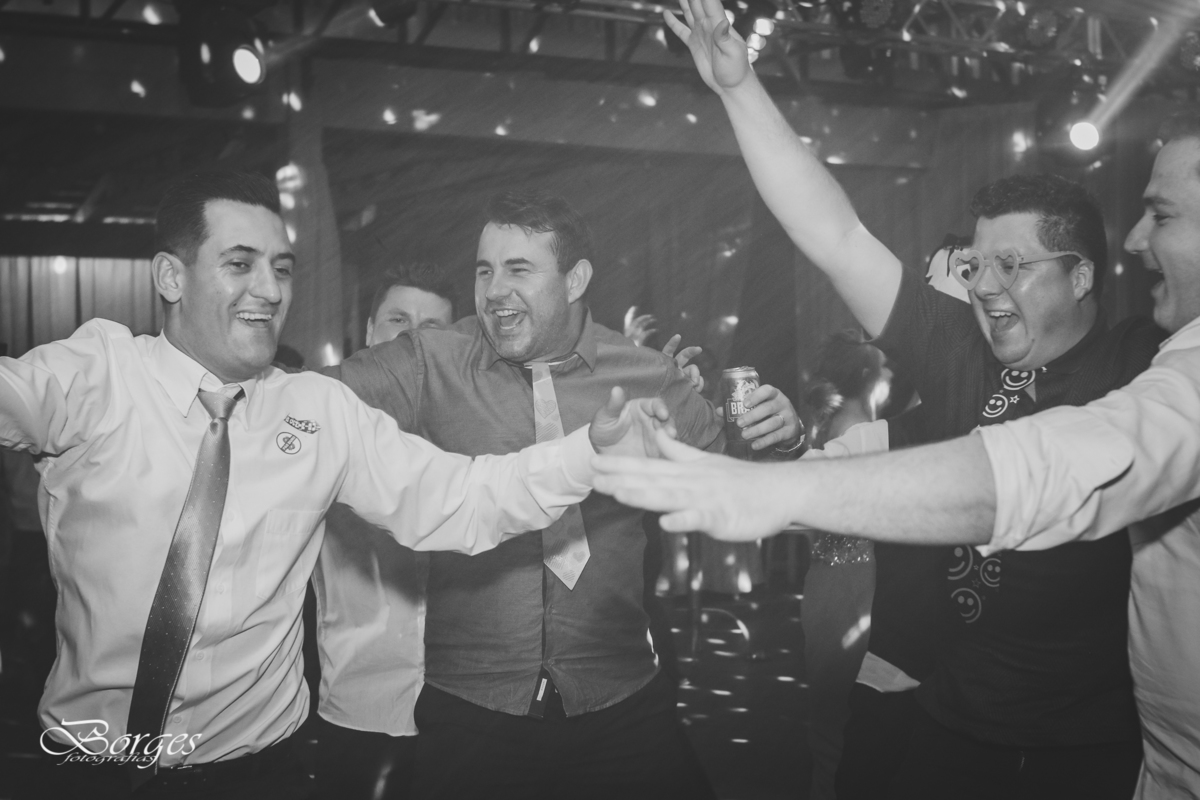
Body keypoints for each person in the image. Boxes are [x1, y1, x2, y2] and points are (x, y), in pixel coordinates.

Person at [0, 170, 667, 800]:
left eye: (282, 268)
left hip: (261, 773)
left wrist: (589, 450)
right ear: (171, 276)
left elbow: (461, 497)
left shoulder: (318, 411)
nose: (269, 290)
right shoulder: (98, 375)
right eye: (240, 264)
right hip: (88, 767)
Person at [592, 109, 1200, 800]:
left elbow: (1045, 470)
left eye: (1011, 265)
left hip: (1088, 744)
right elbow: (837, 236)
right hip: (953, 723)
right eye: (975, 265)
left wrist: (769, 489)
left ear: (1081, 276)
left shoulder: (1140, 364)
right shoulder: (957, 347)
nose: (984, 285)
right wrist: (737, 88)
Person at [327, 188, 804, 800]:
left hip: (622, 698)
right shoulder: (430, 363)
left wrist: (783, 439)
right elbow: (303, 401)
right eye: (484, 271)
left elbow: (736, 482)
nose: (494, 290)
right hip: (472, 705)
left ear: (575, 279)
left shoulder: (647, 374)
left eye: (518, 270)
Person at [308, 263, 459, 800]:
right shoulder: (322, 423)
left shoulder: (475, 433)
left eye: (432, 328)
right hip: (358, 704)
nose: (412, 339)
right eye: (399, 320)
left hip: (463, 708)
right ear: (370, 332)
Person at [798, 331, 891, 800]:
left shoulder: (834, 427)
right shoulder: (865, 437)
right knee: (846, 719)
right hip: (857, 586)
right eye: (885, 365)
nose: (892, 373)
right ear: (868, 376)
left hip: (827, 581)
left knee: (833, 719)